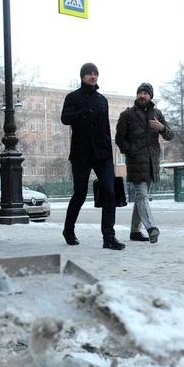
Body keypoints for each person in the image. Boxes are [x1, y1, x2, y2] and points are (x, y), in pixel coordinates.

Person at [60, 63, 125, 250]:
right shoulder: (72, 97)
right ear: (82, 76)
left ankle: (109, 237)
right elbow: (65, 118)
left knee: (110, 193)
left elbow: (106, 128)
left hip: (103, 154)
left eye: (95, 73)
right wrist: (82, 113)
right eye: (89, 73)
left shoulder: (102, 100)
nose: (93, 76)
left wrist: (110, 153)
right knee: (80, 193)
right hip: (81, 153)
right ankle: (68, 230)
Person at [115, 82, 174, 244]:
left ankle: (134, 231)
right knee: (141, 195)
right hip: (135, 162)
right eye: (139, 92)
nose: (142, 95)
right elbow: (119, 139)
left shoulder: (157, 113)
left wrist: (162, 128)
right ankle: (151, 228)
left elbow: (170, 135)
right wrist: (130, 150)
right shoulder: (127, 115)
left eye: (145, 93)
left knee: (142, 198)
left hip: (151, 163)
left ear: (150, 96)